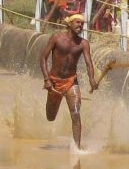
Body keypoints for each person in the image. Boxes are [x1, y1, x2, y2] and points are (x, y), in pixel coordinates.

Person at [40, 13, 98, 150]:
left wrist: (91, 79)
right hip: (54, 82)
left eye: (82, 24)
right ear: (70, 24)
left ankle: (77, 148)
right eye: (77, 22)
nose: (80, 26)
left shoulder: (83, 43)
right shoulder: (56, 38)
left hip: (71, 82)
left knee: (76, 113)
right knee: (50, 117)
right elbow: (43, 58)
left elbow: (89, 63)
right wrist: (47, 80)